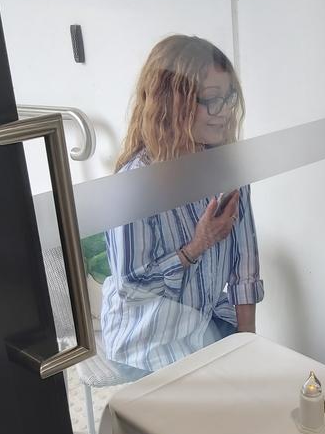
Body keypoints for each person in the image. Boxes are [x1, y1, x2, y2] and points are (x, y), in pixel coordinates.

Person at [101, 35, 264, 378]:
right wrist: (196, 246)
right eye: (212, 100)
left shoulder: (228, 165)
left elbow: (244, 264)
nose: (226, 111)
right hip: (145, 343)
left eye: (229, 96)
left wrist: (248, 343)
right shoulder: (135, 185)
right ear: (173, 104)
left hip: (199, 324)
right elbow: (132, 286)